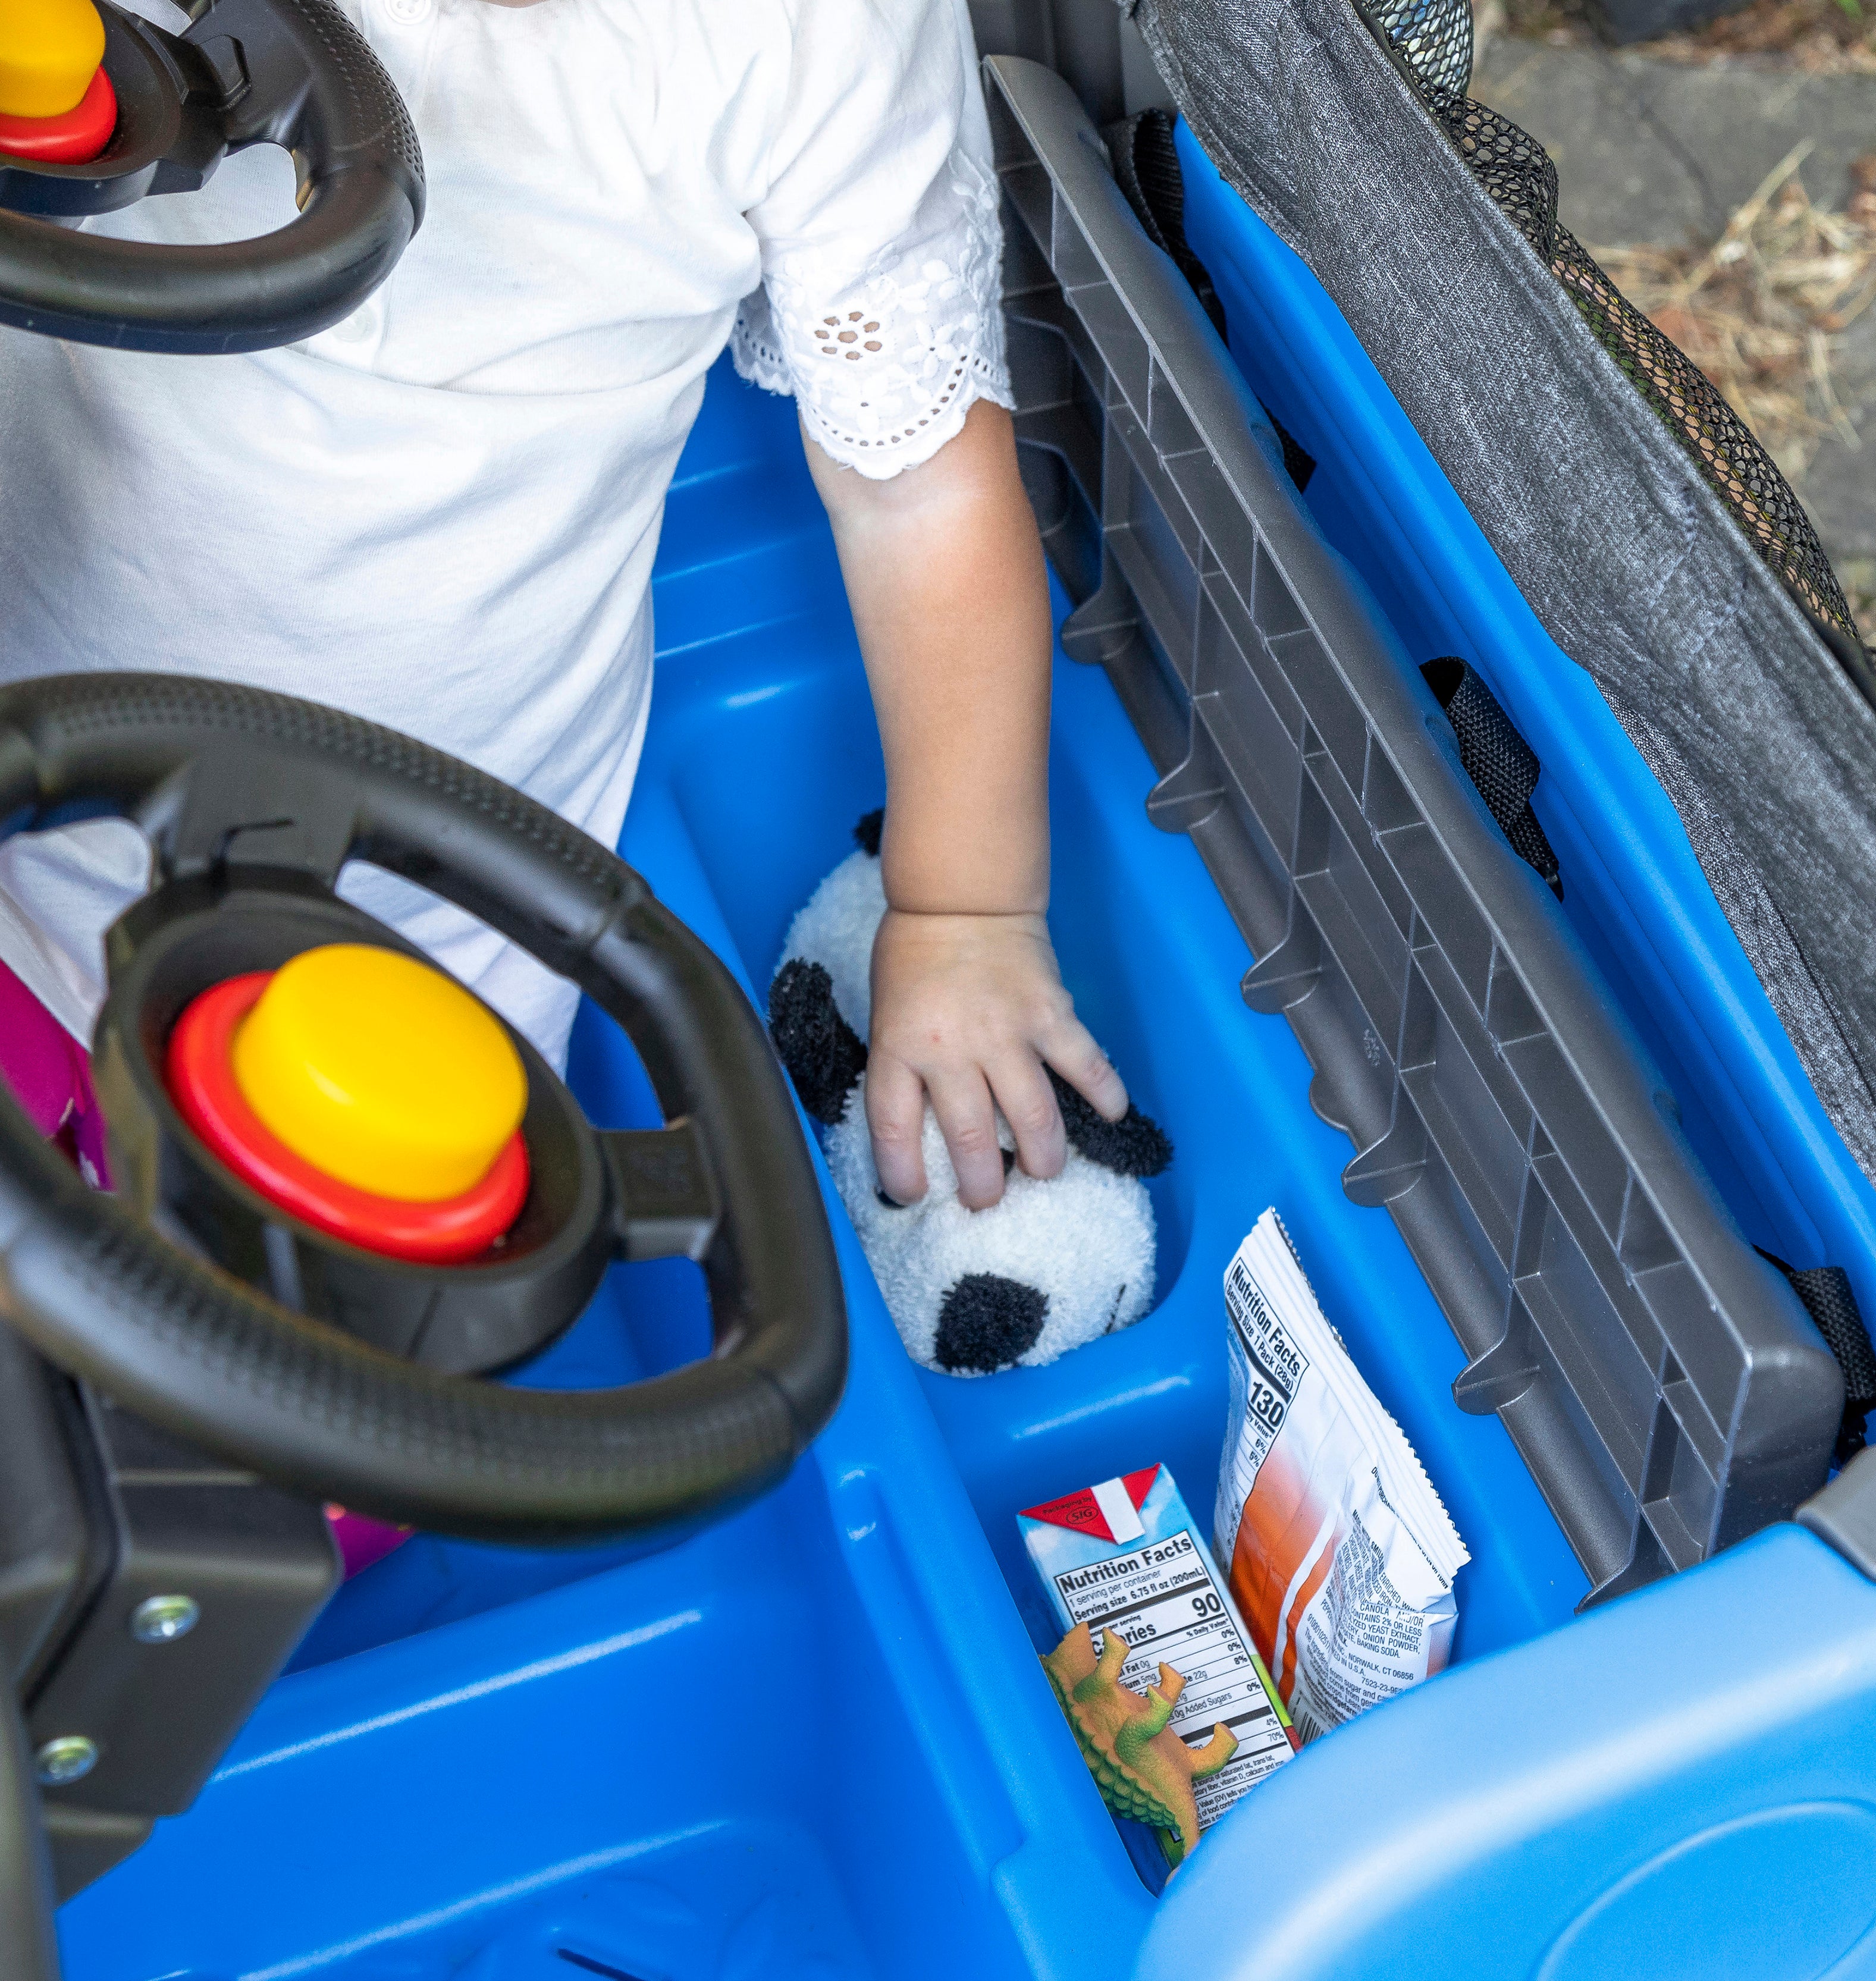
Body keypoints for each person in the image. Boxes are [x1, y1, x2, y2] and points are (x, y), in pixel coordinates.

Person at [0, 0, 1126, 1213]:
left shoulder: (825, 31)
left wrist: (965, 910)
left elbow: (923, 497)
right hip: (27, 739)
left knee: (250, 1347)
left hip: (391, 938)